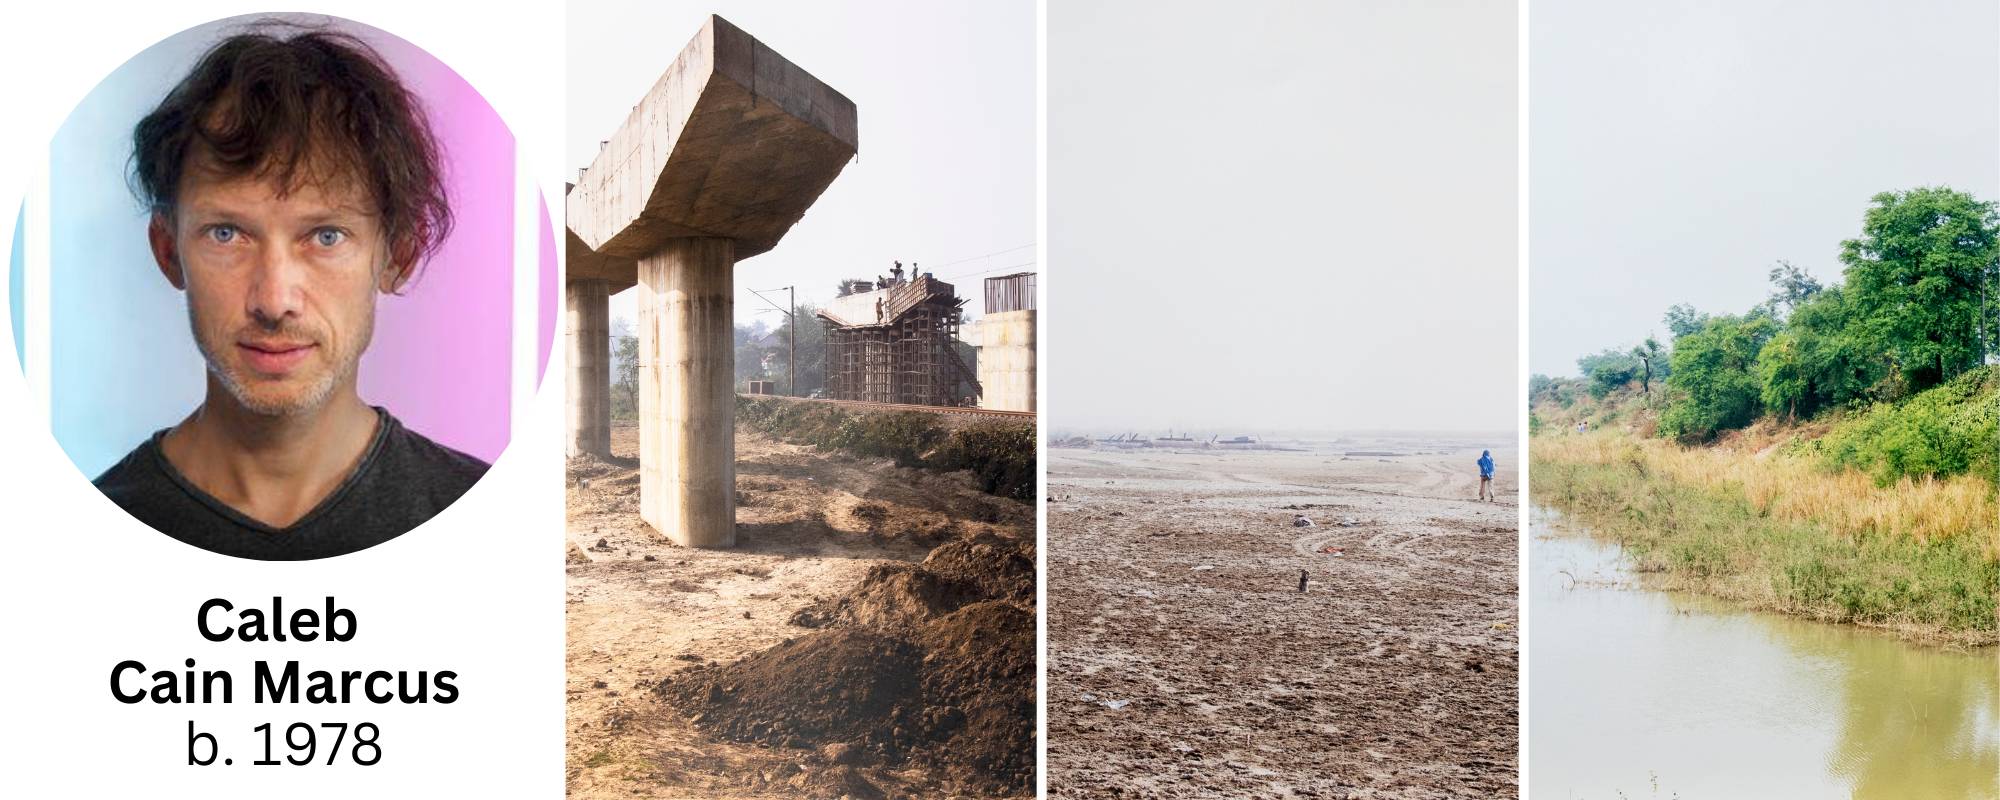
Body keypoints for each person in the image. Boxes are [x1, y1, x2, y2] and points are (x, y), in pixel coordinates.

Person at [93, 26, 487, 560]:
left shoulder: (481, 516)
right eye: (227, 234)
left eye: (325, 236)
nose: (274, 301)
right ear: (168, 251)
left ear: (396, 256)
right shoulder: (85, 535)